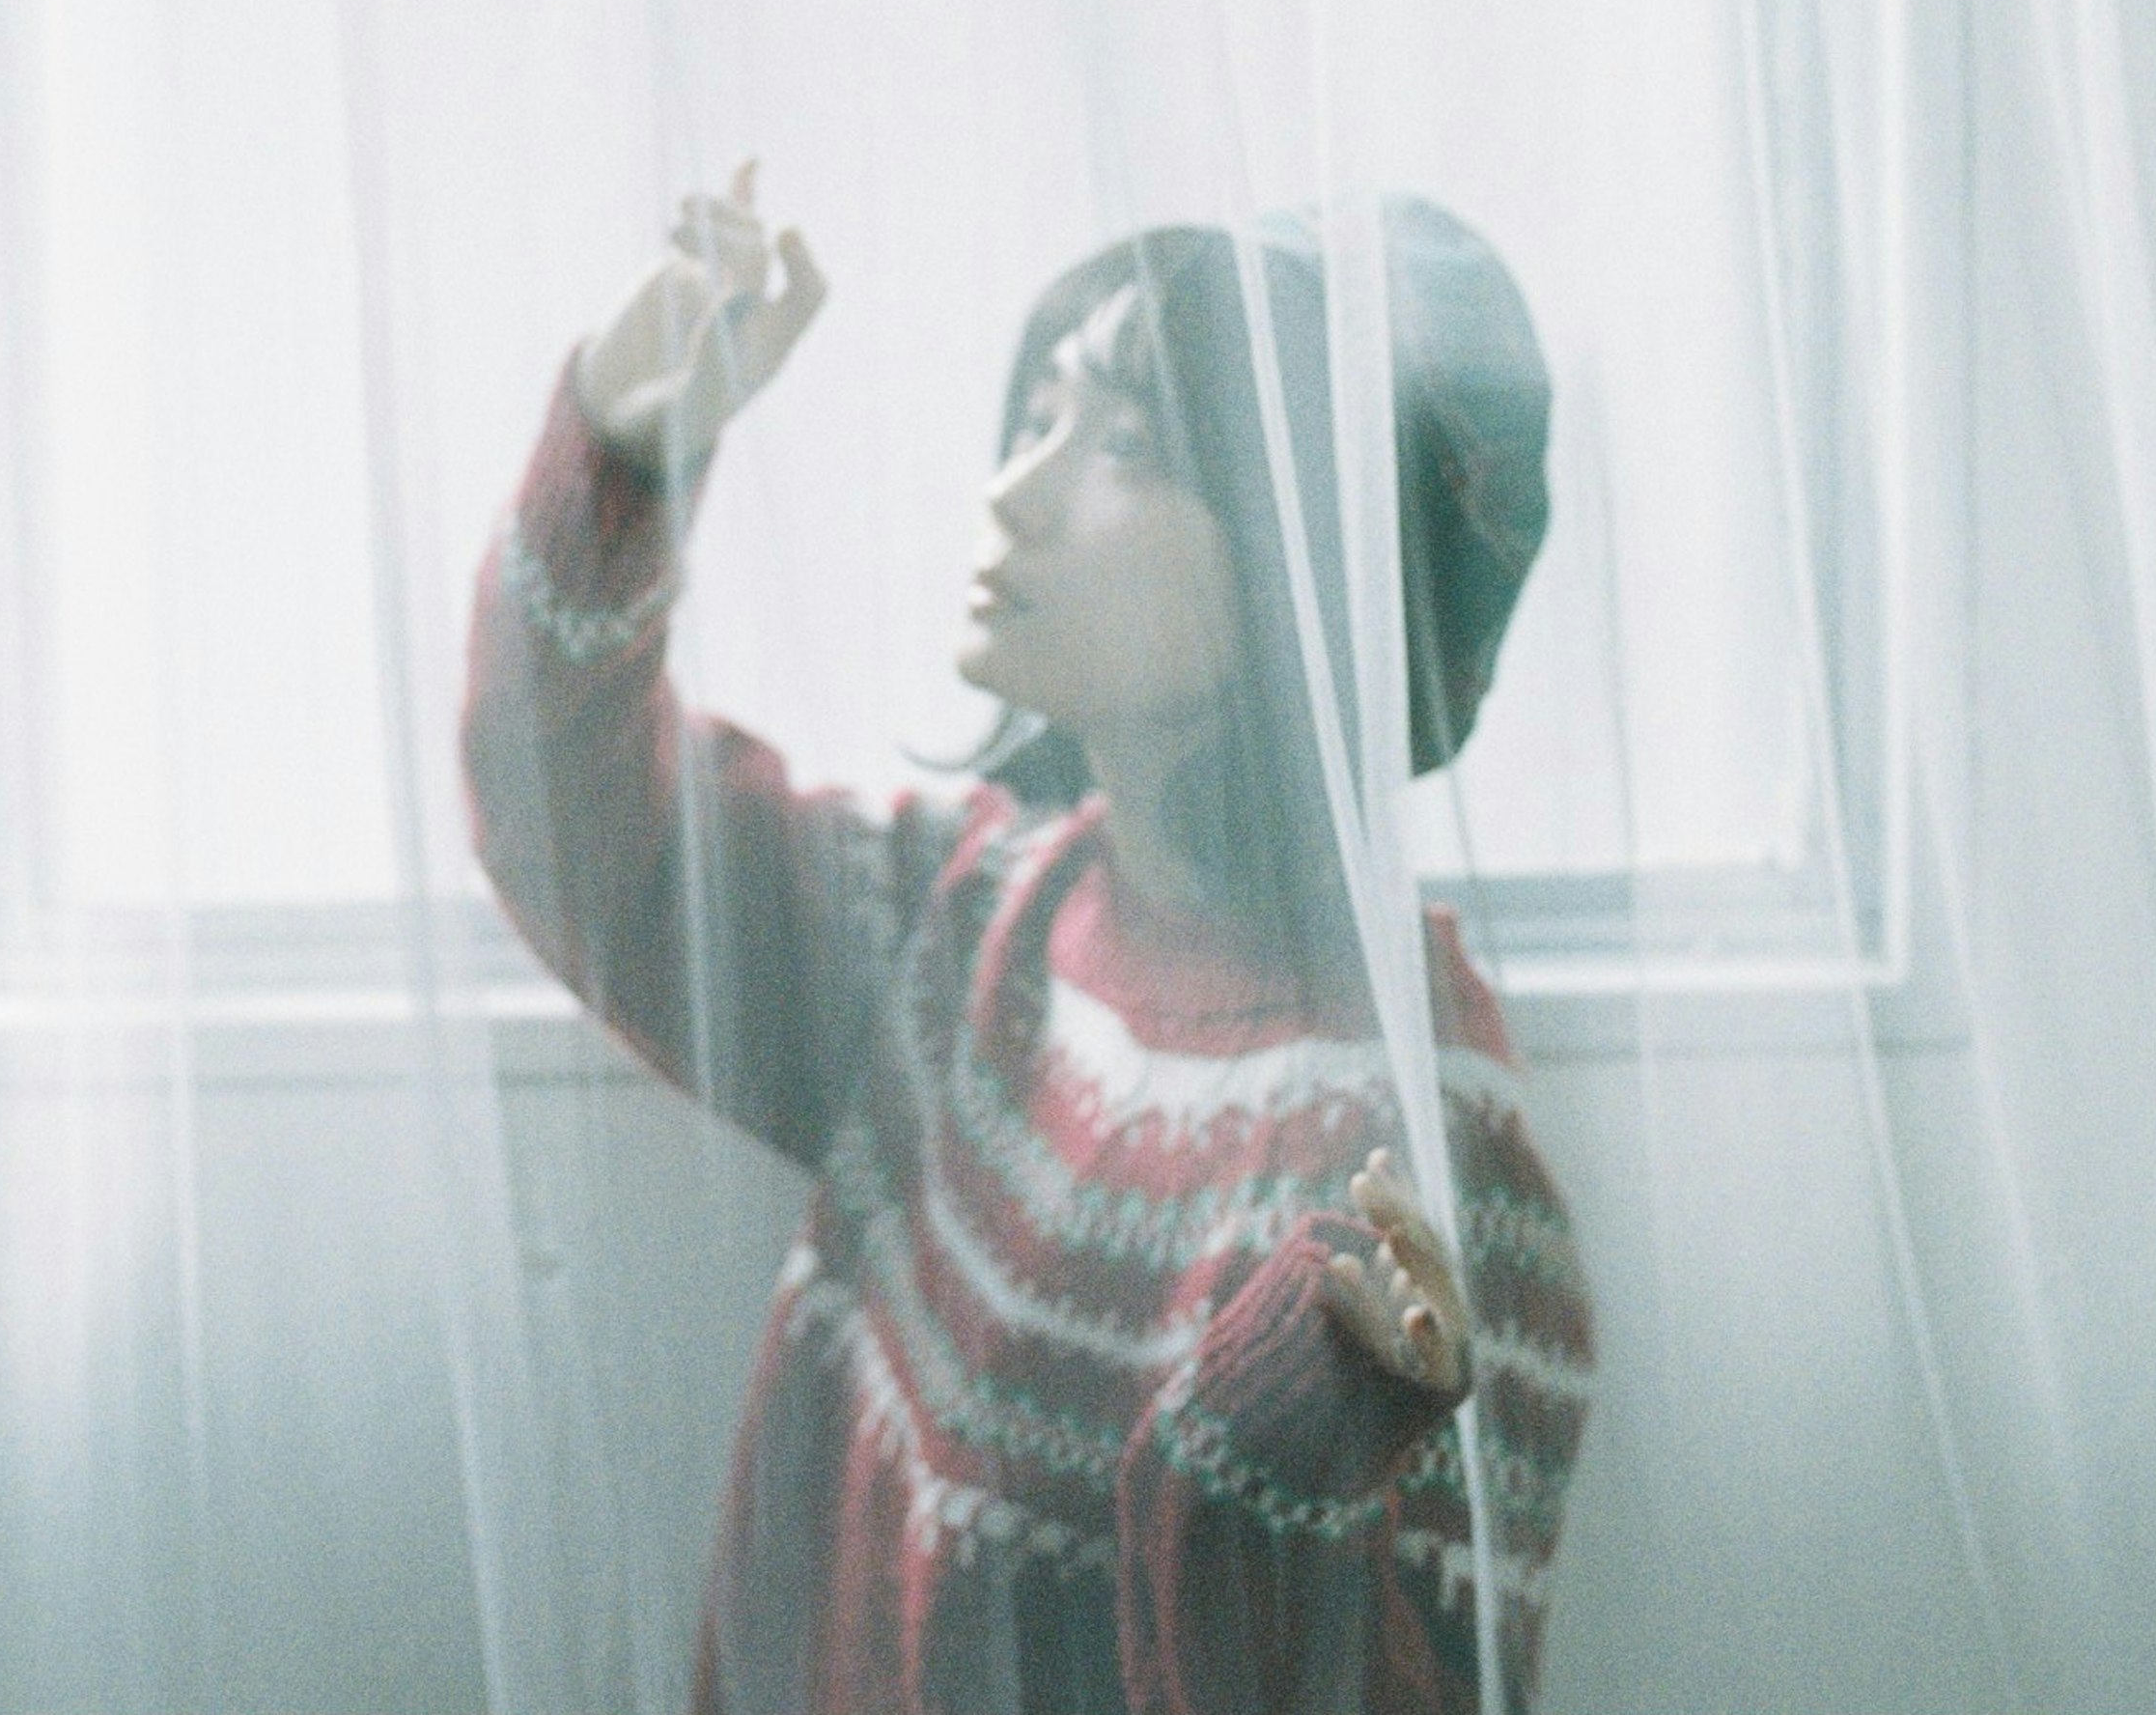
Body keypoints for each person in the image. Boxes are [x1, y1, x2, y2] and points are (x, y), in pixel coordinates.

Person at [462, 166, 1594, 1715]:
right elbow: (590, 839)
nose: (1019, 487)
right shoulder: (973, 919)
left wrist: (1279, 1450)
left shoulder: (1413, 1149)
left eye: (1125, 443)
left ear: (1317, 563)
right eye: (1039, 415)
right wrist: (627, 444)